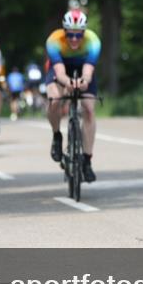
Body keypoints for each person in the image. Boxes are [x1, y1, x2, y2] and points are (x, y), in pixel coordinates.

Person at [45, 10, 101, 182]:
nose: (75, 39)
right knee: (55, 99)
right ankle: (56, 136)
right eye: (70, 34)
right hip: (60, 70)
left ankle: (87, 160)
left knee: (89, 109)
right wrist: (67, 82)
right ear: (64, 31)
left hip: (84, 70)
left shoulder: (93, 41)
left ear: (84, 32)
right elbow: (60, 72)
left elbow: (88, 71)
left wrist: (84, 81)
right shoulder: (54, 40)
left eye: (79, 35)